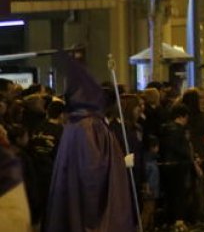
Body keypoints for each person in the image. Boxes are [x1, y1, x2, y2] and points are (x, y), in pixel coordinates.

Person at [42, 52, 136, 232]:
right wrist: (117, 163)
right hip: (91, 209)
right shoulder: (91, 126)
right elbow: (92, 172)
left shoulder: (74, 125)